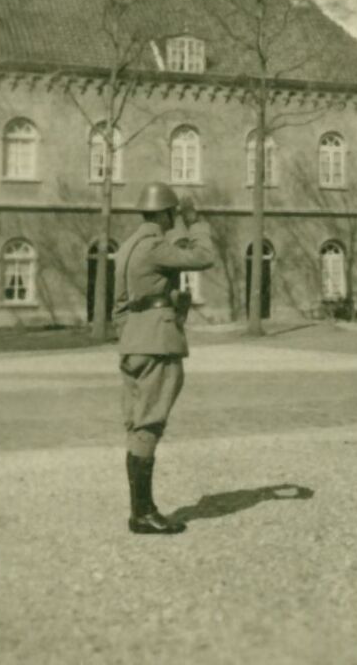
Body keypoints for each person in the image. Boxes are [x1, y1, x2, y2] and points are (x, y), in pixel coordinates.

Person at [114, 182, 215, 535]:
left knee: (137, 425)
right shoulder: (155, 246)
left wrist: (134, 332)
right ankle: (142, 514)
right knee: (150, 424)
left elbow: (120, 307)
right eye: (173, 214)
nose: (175, 219)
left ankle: (142, 509)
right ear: (166, 214)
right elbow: (204, 256)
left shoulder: (128, 246)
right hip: (157, 344)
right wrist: (195, 221)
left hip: (134, 342)